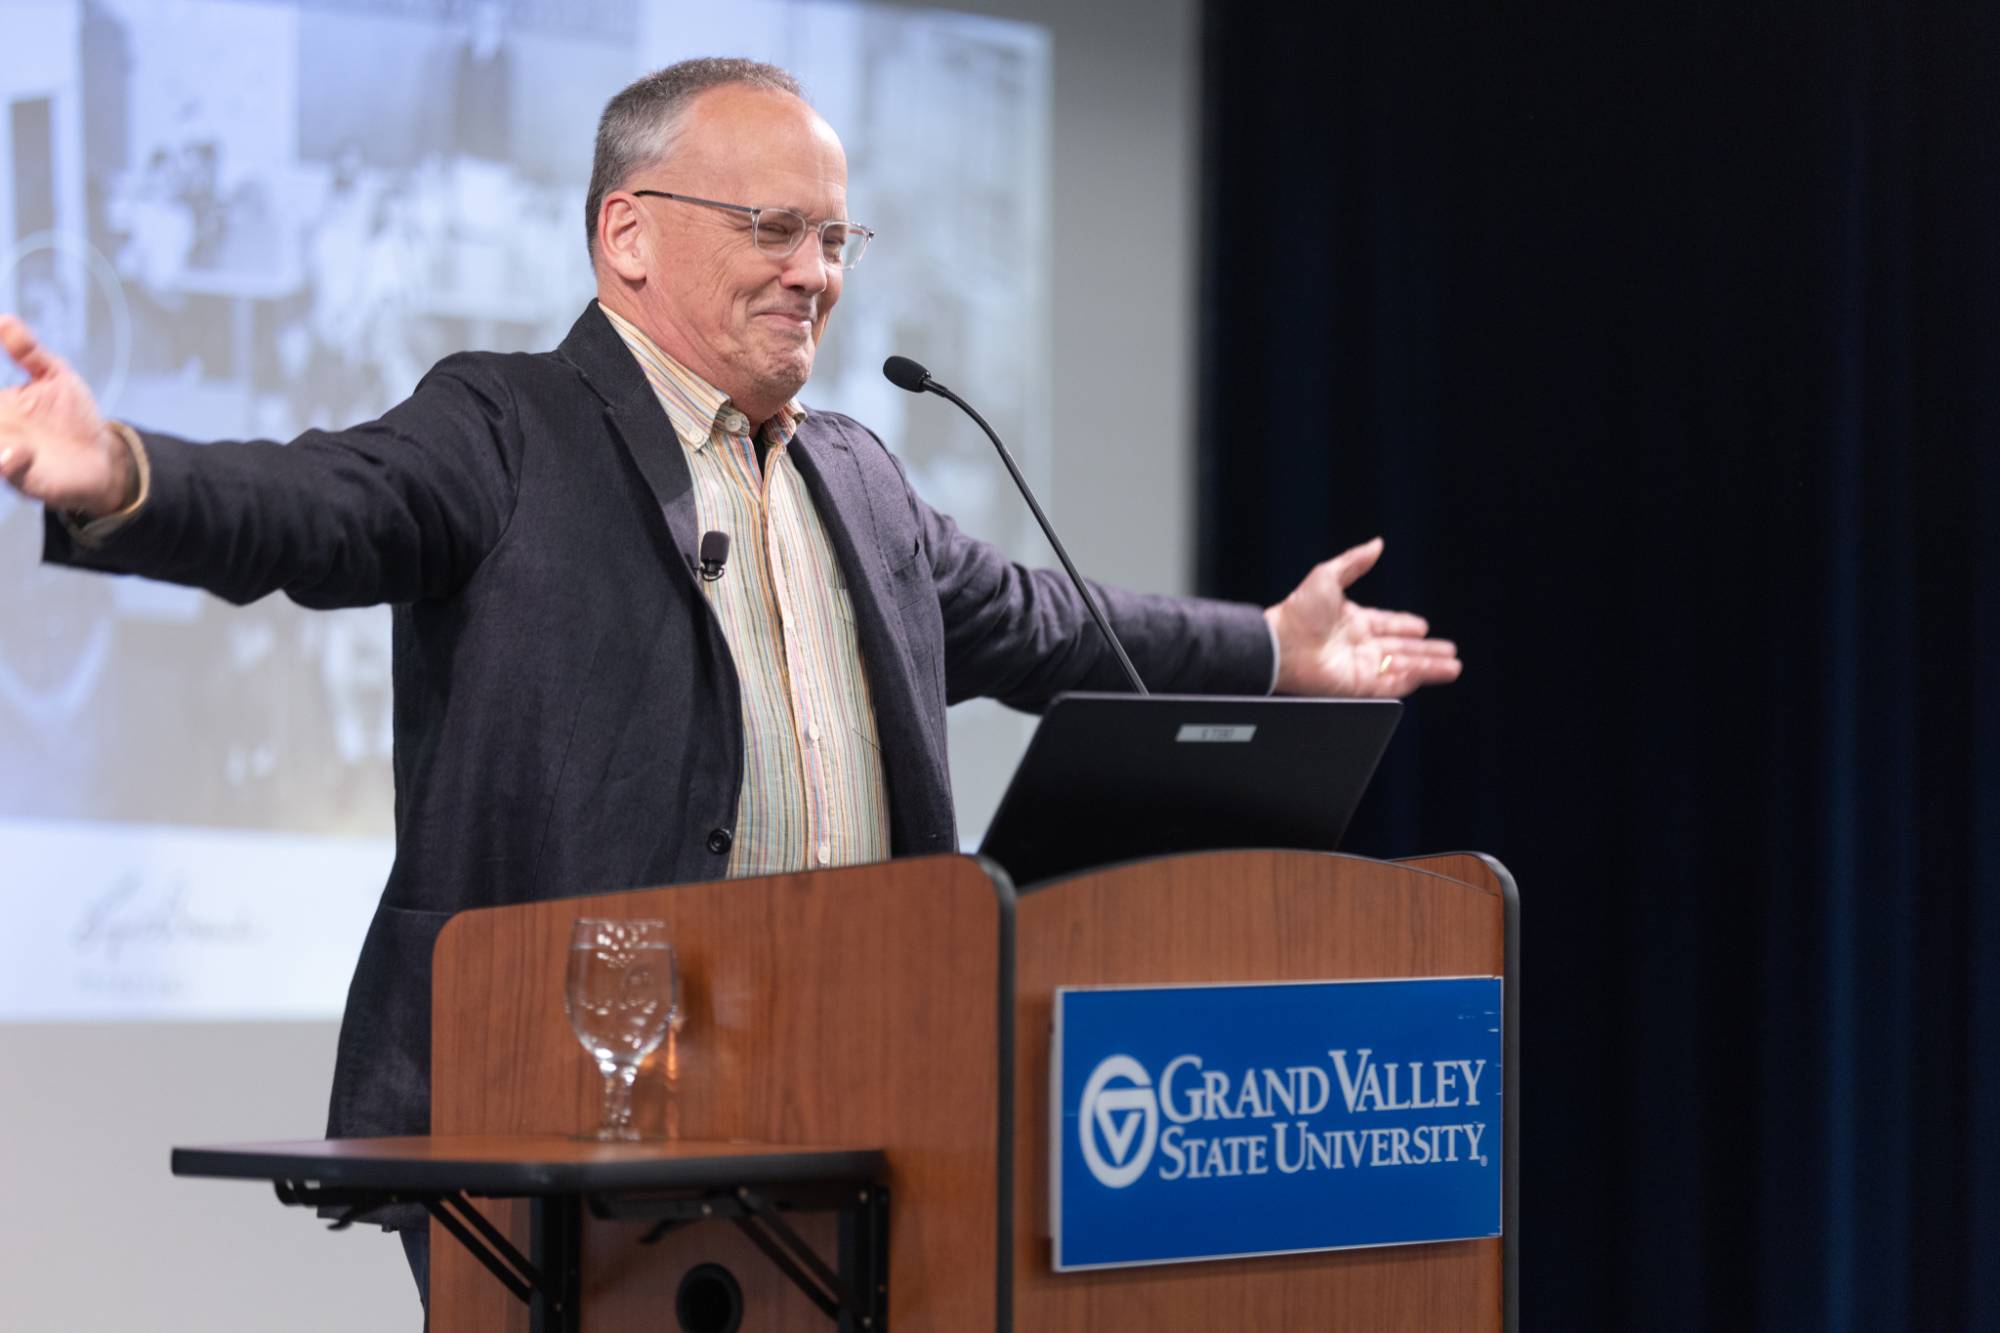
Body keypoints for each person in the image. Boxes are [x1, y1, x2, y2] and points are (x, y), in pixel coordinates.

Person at [0, 57, 1460, 1313]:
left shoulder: (859, 477)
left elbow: (1046, 625)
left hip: (866, 1108)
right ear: (628, 233)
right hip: (568, 1115)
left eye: (834, 236)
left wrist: (1273, 647)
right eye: (773, 228)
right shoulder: (507, 425)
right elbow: (318, 505)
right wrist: (122, 470)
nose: (815, 271)